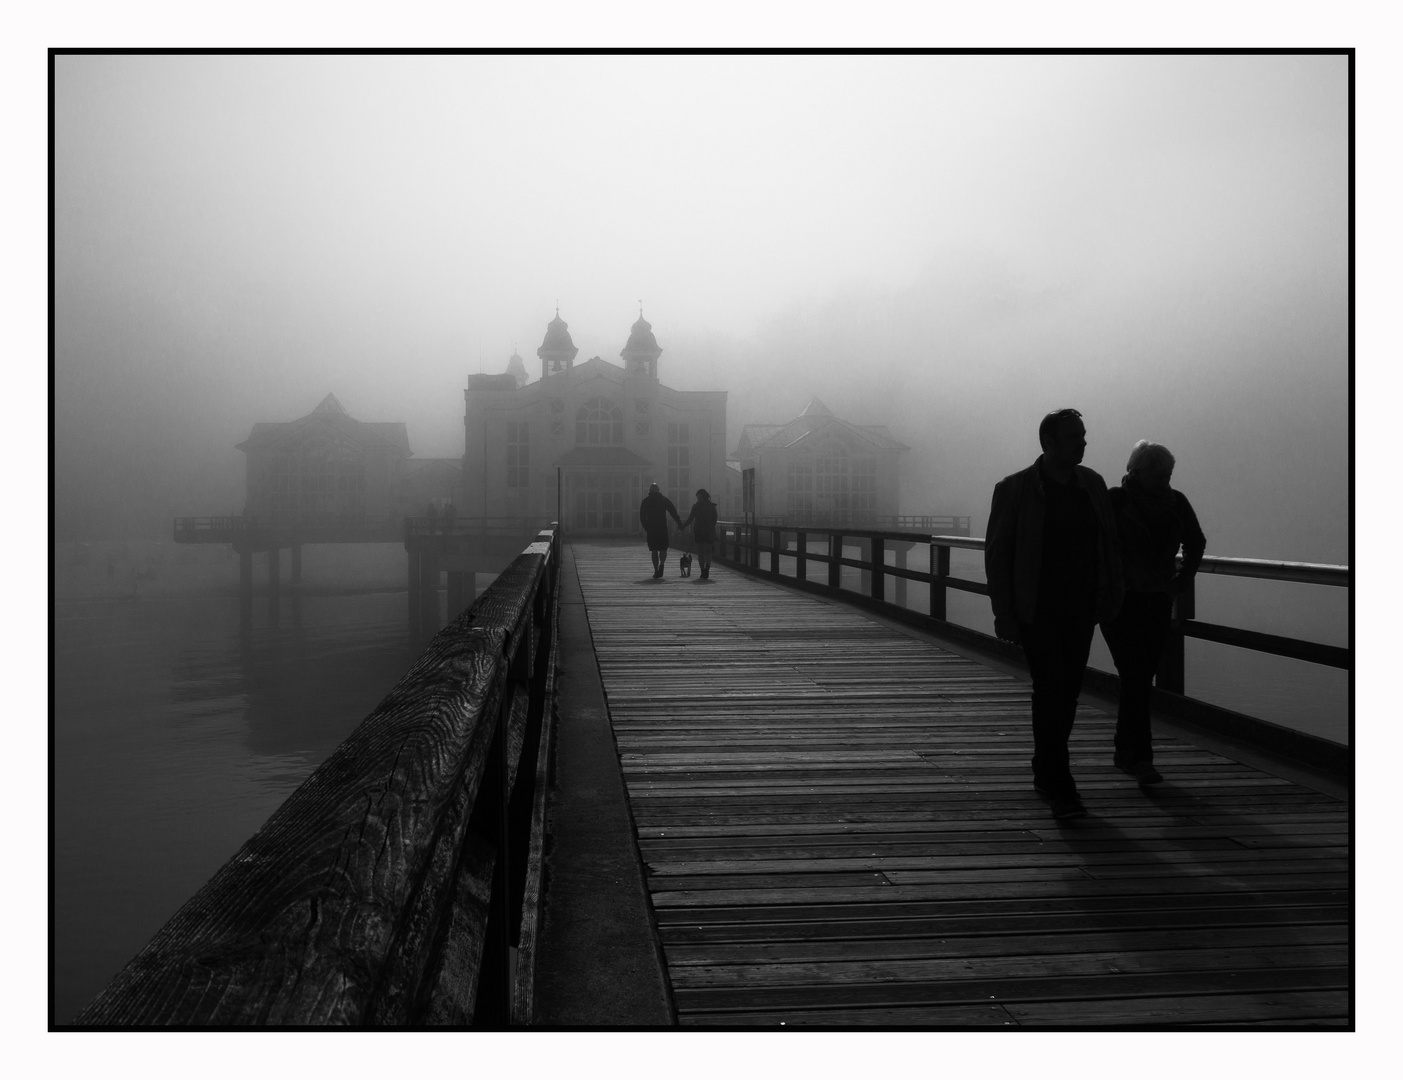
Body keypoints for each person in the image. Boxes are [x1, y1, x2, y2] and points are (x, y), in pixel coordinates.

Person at [985, 408, 1124, 820]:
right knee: (1051, 691)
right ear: (1048, 443)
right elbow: (998, 555)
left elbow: (1108, 542)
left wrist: (1110, 593)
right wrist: (1005, 614)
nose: (1083, 442)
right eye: (1074, 436)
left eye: (1083, 435)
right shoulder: (1014, 489)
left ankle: (1047, 767)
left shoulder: (1092, 484)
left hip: (1081, 608)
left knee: (1067, 693)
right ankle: (1061, 784)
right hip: (1037, 609)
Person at [1100, 441, 1206, 786]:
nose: (1165, 481)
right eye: (1158, 475)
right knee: (1134, 673)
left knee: (1140, 678)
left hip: (1158, 600)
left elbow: (1196, 542)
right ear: (1136, 472)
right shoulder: (1114, 501)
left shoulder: (1176, 504)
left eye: (1169, 475)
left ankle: (1123, 750)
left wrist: (1180, 581)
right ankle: (1143, 759)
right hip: (1120, 601)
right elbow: (1094, 543)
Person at [638, 482, 682, 579]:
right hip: (662, 527)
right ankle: (662, 564)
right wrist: (679, 523)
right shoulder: (663, 500)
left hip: (652, 529)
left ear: (649, 491)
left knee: (654, 550)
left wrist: (646, 528)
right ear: (658, 490)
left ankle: (656, 570)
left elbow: (642, 517)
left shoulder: (646, 501)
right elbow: (673, 512)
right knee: (663, 548)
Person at [679, 488, 720, 579]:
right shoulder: (712, 506)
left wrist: (682, 526)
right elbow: (715, 519)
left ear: (700, 496)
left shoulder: (696, 506)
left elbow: (690, 519)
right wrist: (711, 528)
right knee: (708, 552)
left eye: (697, 496)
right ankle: (707, 569)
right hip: (709, 532)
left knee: (700, 553)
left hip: (699, 532)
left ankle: (702, 571)